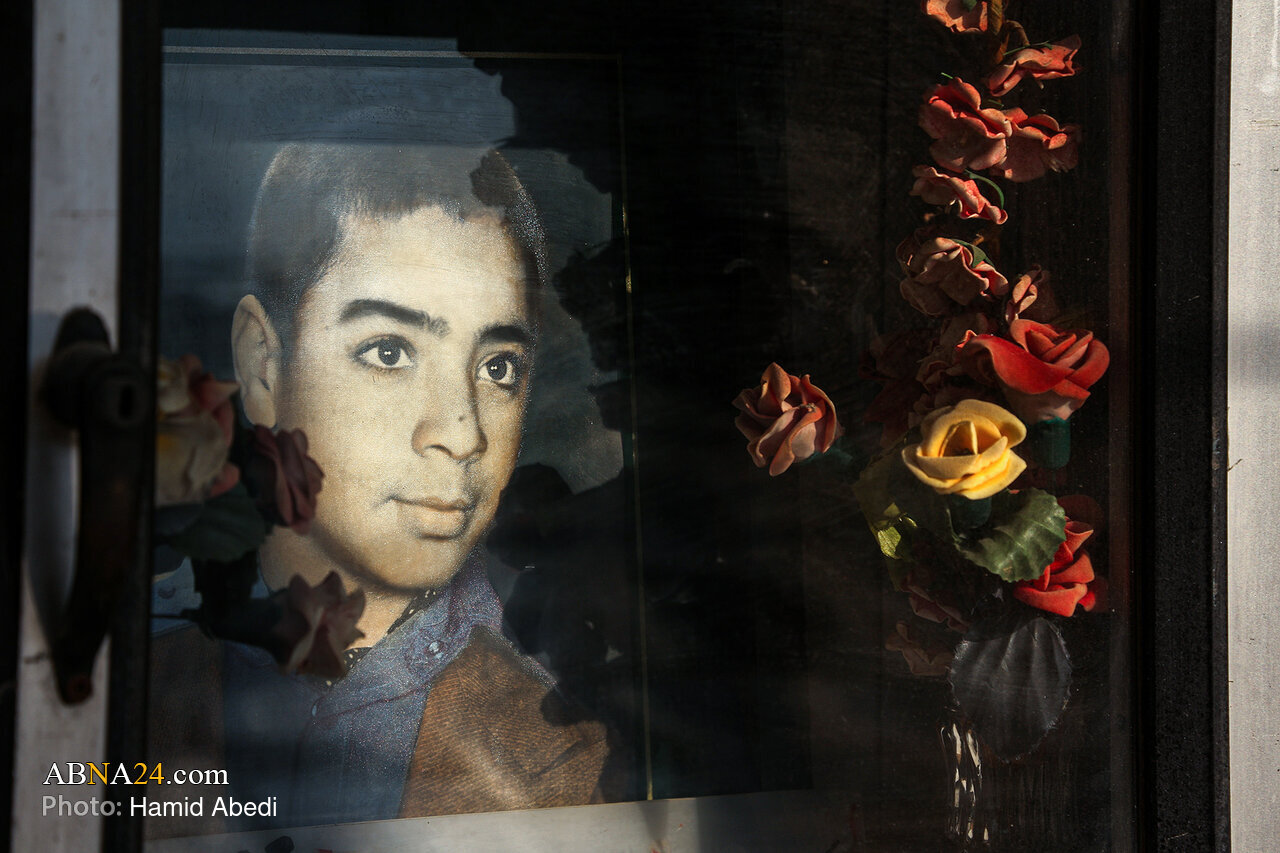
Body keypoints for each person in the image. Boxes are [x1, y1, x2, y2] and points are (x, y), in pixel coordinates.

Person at [148, 143, 620, 836]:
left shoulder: (559, 757)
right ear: (264, 365)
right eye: (389, 352)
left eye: (498, 367)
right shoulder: (123, 682)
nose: (462, 433)